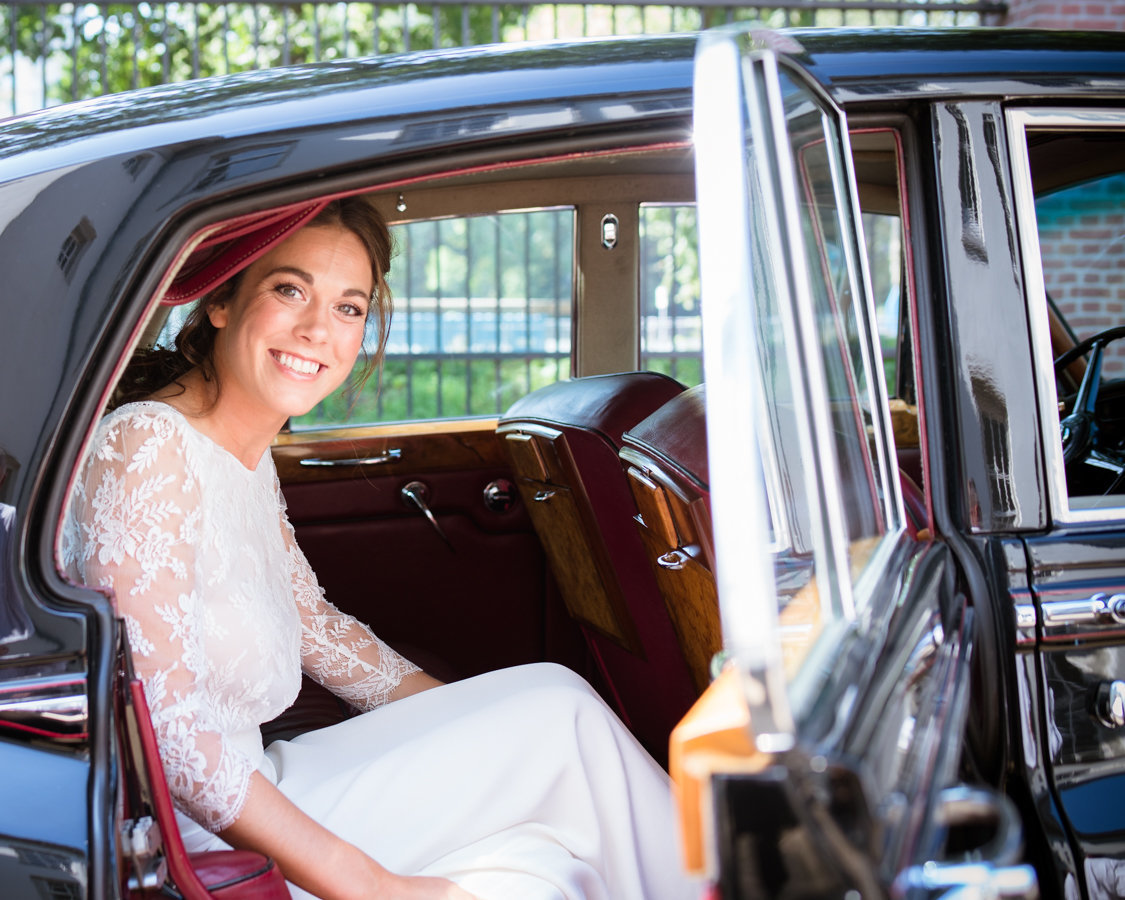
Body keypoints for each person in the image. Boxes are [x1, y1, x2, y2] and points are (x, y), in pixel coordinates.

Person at [61, 197, 698, 900]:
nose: (316, 330)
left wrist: (460, 721)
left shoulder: (243, 448)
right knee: (565, 729)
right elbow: (167, 732)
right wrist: (372, 886)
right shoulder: (145, 445)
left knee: (551, 722)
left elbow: (311, 621)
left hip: (264, 782)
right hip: (211, 839)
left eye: (348, 308)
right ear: (221, 300)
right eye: (289, 289)